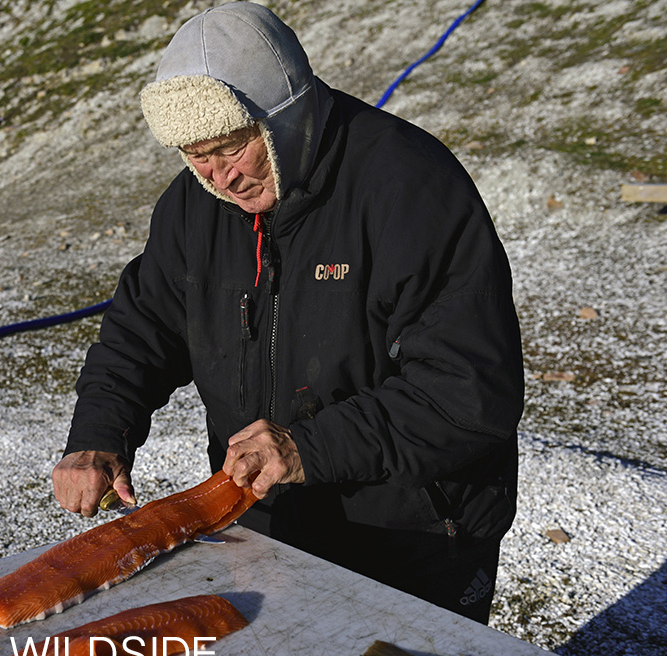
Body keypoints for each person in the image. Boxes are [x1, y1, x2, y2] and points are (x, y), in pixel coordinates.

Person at [51, 2, 523, 624]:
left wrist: (308, 447)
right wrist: (98, 435)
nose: (219, 177)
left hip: (413, 536)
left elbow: (468, 393)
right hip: (266, 524)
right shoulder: (193, 208)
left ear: (287, 115)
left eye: (230, 147)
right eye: (194, 154)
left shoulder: (408, 188)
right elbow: (144, 329)